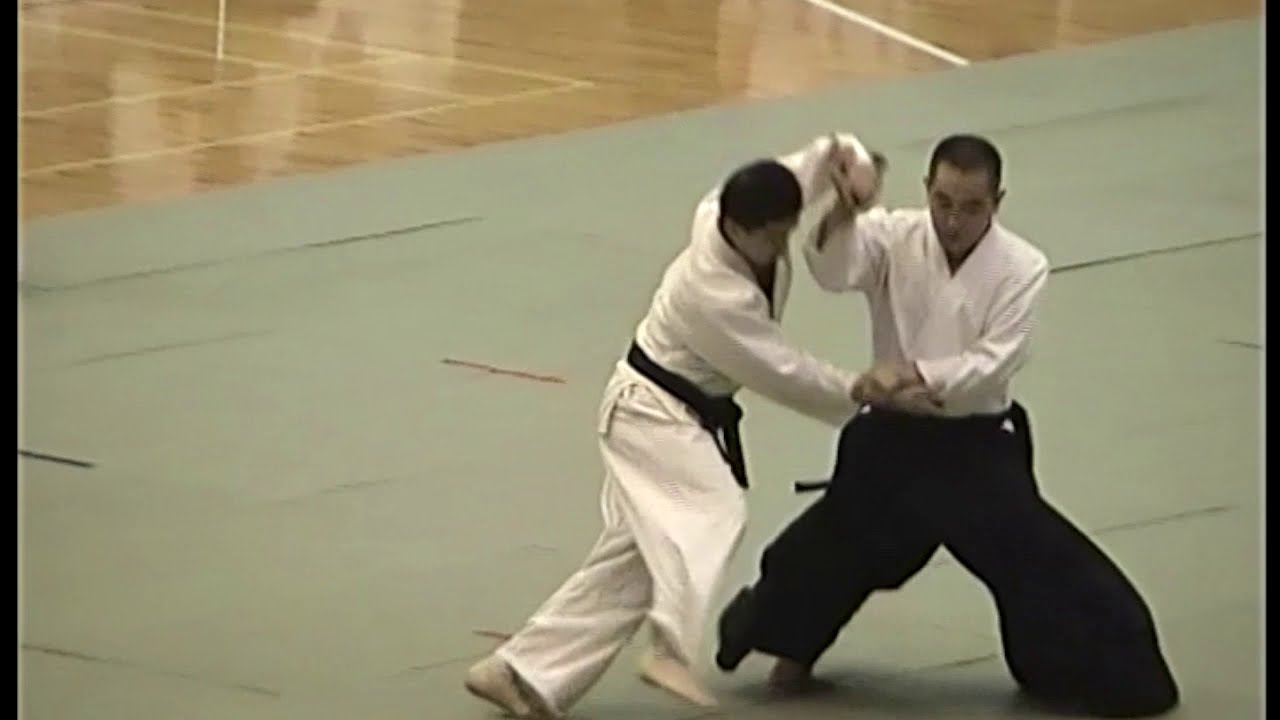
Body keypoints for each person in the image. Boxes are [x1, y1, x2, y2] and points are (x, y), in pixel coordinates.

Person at [715, 134, 1181, 718]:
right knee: (832, 546)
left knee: (1036, 558)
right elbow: (833, 271)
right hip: (891, 437)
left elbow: (996, 361)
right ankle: (789, 644)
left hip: (974, 443)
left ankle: (1108, 670)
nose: (953, 221)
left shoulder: (1022, 267)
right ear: (927, 191)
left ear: (997, 202)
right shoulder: (894, 235)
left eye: (971, 207)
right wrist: (842, 214)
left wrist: (915, 374)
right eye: (942, 202)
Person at [464, 133, 884, 719]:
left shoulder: (758, 200)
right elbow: (781, 370)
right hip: (649, 413)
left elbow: (830, 152)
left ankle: (519, 671)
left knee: (634, 563)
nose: (779, 246)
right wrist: (862, 390)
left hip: (678, 412)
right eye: (770, 237)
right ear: (735, 228)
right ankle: (669, 647)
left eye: (785, 232)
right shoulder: (714, 295)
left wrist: (857, 170)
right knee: (714, 509)